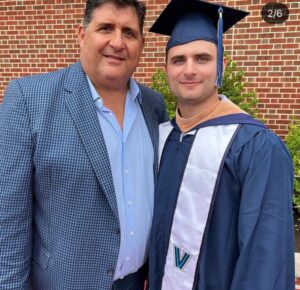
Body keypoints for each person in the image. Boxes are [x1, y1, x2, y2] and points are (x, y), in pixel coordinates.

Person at [0, 0, 167, 289]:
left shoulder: (153, 106)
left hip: (135, 282)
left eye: (129, 32)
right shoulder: (29, 100)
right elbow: (7, 216)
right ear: (81, 34)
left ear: (141, 43)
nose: (117, 42)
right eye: (106, 28)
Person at [148, 0, 295, 289]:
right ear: (166, 68)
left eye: (202, 58)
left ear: (221, 65)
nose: (189, 70)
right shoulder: (161, 138)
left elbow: (265, 262)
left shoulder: (256, 147)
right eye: (178, 60)